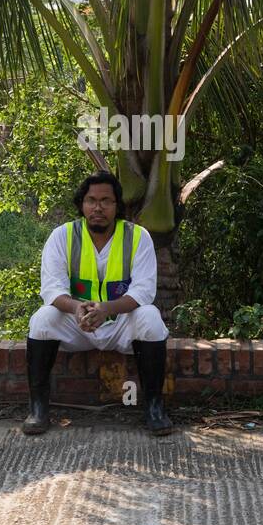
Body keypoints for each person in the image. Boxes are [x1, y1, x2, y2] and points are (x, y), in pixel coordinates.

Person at [24, 171, 171, 436]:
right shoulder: (62, 236)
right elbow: (51, 288)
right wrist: (77, 308)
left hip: (120, 325)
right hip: (78, 324)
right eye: (91, 200)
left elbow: (144, 291)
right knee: (42, 320)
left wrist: (107, 309)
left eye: (106, 201)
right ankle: (38, 409)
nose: (98, 207)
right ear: (82, 204)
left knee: (150, 317)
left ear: (117, 206)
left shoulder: (138, 237)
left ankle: (154, 408)